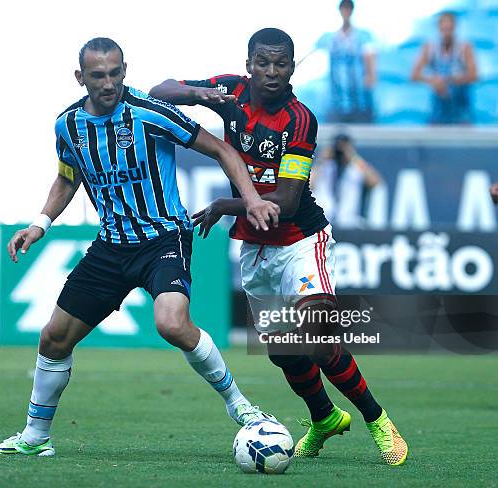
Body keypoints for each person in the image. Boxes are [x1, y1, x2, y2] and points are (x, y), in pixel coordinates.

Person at [0, 37, 279, 457]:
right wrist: (39, 223)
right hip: (111, 247)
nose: (109, 83)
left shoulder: (148, 113)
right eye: (98, 75)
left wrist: (252, 199)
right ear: (80, 77)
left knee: (172, 323)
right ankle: (34, 438)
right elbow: (68, 177)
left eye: (116, 73)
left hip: (162, 239)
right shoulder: (69, 125)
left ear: (124, 70)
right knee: (53, 339)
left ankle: (242, 408)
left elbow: (222, 150)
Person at [150, 27, 408, 466]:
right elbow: (160, 92)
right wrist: (198, 94)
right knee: (282, 351)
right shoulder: (229, 92)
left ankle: (377, 419)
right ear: (248, 63)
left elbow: (286, 203)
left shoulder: (300, 119)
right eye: (263, 63)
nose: (271, 72)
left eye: (281, 63)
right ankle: (323, 418)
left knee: (316, 338)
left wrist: (227, 203)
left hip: (301, 240)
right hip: (255, 249)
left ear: (292, 67)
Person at [412, 11, 478, 124]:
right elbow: (414, 75)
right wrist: (433, 80)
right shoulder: (429, 47)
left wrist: (452, 79)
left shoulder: (465, 47)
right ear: (439, 27)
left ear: (455, 27)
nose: (447, 31)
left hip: (460, 103)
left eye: (450, 27)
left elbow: (474, 75)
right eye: (444, 27)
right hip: (439, 105)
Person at [316, 0, 376, 123]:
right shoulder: (331, 37)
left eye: (348, 8)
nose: (346, 11)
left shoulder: (363, 36)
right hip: (336, 98)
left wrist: (370, 76)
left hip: (359, 98)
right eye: (344, 8)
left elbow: (370, 58)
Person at [310, 133, 382, 228]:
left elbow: (375, 182)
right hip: (324, 220)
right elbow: (309, 185)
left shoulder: (356, 167)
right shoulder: (324, 166)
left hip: (349, 221)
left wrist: (354, 157)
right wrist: (320, 161)